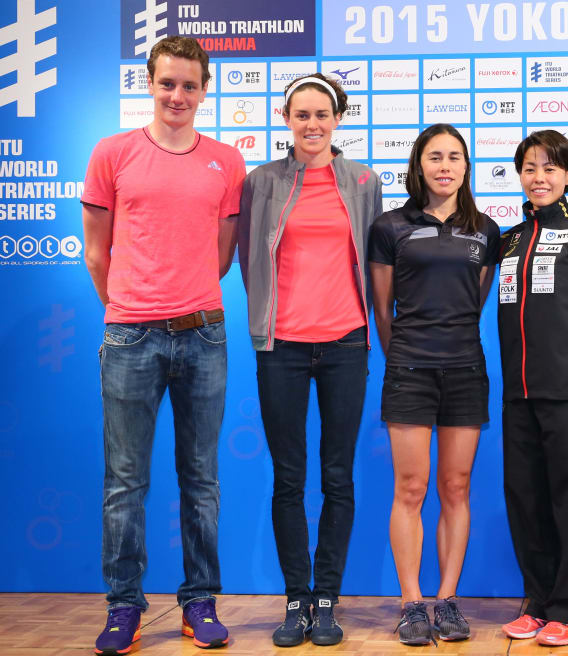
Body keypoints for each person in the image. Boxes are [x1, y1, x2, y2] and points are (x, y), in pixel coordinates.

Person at [82, 36, 245, 655]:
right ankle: (124, 606)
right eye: (167, 83)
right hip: (129, 335)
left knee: (201, 478)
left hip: (204, 334)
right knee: (125, 482)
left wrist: (183, 298)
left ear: (205, 90)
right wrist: (129, 307)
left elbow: (224, 254)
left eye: (190, 85)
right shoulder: (113, 153)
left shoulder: (226, 162)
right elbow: (97, 252)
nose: (178, 96)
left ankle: (199, 601)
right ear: (148, 85)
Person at [237, 72, 382, 647]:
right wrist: (268, 320)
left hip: (347, 342)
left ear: (338, 119)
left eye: (323, 114)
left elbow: (375, 258)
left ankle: (327, 600)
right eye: (302, 114)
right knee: (289, 479)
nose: (313, 124)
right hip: (283, 347)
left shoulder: (363, 180)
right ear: (286, 118)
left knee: (338, 476)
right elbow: (249, 258)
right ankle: (296, 598)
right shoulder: (261, 182)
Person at [368, 124, 500, 645]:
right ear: (418, 165)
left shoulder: (486, 231)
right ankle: (411, 602)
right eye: (434, 156)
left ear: (466, 167)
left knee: (456, 487)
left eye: (455, 157)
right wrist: (402, 356)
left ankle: (446, 599)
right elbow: (383, 309)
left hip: (467, 369)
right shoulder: (389, 226)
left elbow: (477, 300)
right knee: (410, 487)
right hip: (410, 370)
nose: (445, 165)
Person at [497, 130, 568, 648]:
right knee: (526, 499)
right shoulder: (509, 240)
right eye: (529, 168)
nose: (538, 177)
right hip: (518, 393)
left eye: (550, 168)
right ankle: (538, 602)